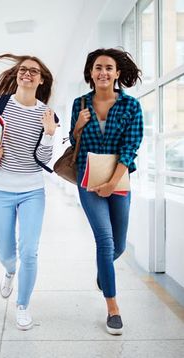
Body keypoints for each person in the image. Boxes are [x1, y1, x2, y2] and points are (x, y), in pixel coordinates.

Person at [69, 48, 143, 335]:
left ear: (117, 73)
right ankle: (113, 306)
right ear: (90, 72)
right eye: (98, 67)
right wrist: (77, 127)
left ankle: (104, 271)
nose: (103, 72)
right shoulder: (80, 103)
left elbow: (131, 146)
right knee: (105, 240)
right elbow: (77, 141)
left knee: (119, 246)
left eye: (109, 68)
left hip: (119, 180)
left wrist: (113, 182)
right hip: (88, 179)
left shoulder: (130, 106)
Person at [0, 53, 58, 330]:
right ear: (16, 75)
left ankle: (23, 304)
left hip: (32, 190)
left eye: (34, 72)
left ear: (41, 80)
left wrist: (49, 132)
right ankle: (9, 270)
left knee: (29, 251)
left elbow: (43, 158)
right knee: (5, 252)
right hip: (0, 187)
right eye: (23, 70)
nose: (28, 74)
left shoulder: (46, 114)